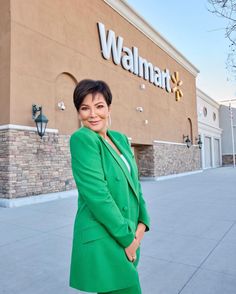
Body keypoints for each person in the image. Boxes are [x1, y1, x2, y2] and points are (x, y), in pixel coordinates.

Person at [69, 79, 150, 294]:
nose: (93, 114)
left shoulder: (121, 140)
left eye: (99, 106)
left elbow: (135, 184)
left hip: (129, 235)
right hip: (105, 240)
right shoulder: (83, 139)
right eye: (85, 108)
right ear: (79, 113)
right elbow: (98, 196)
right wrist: (128, 240)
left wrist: (142, 224)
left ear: (109, 108)